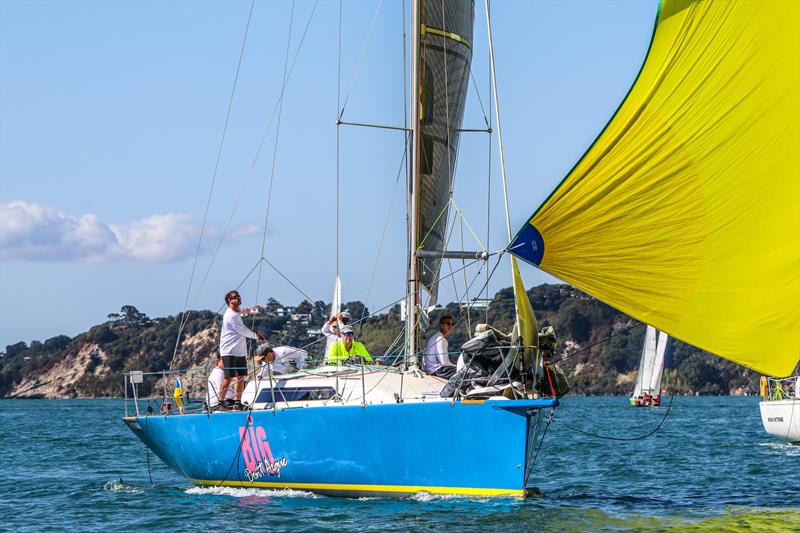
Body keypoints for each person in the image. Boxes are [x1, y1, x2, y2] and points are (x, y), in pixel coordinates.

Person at [218, 290, 266, 409]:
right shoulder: (231, 315)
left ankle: (237, 402)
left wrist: (255, 334)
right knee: (228, 377)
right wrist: (256, 336)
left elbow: (242, 330)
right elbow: (242, 330)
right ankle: (220, 402)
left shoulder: (236, 313)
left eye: (238, 296)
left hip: (239, 351)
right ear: (229, 301)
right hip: (229, 351)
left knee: (240, 377)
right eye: (235, 297)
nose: (238, 298)